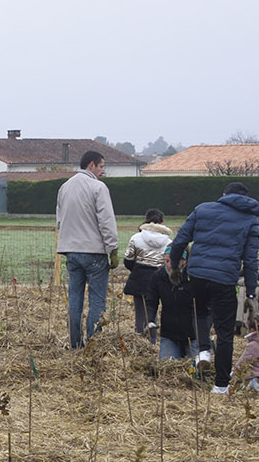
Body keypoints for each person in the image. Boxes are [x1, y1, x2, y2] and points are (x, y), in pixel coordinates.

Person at [167, 181, 259, 395]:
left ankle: (203, 352)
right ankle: (220, 385)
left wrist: (175, 267)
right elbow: (251, 259)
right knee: (225, 332)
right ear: (246, 198)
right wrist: (249, 292)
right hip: (225, 280)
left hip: (197, 274)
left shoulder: (203, 209)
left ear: (224, 194)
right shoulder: (250, 219)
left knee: (200, 312)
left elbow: (180, 240)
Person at [54, 150, 120, 349]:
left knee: (74, 299)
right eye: (101, 167)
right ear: (92, 165)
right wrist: (113, 249)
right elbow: (106, 220)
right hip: (95, 252)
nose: (103, 171)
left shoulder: (64, 187)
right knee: (97, 300)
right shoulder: (98, 187)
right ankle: (94, 346)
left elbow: (59, 220)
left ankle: (75, 345)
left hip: (70, 252)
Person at [121, 209, 173, 341]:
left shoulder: (136, 238)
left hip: (139, 278)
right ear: (162, 222)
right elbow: (169, 264)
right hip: (159, 280)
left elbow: (128, 260)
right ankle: (152, 341)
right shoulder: (168, 242)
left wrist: (137, 270)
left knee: (139, 313)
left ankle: (139, 341)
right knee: (153, 312)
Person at [156, 269, 197, 361]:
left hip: (194, 335)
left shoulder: (196, 275)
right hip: (169, 335)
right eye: (166, 261)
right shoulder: (159, 276)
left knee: (198, 370)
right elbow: (151, 301)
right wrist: (150, 319)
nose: (169, 264)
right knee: (167, 368)